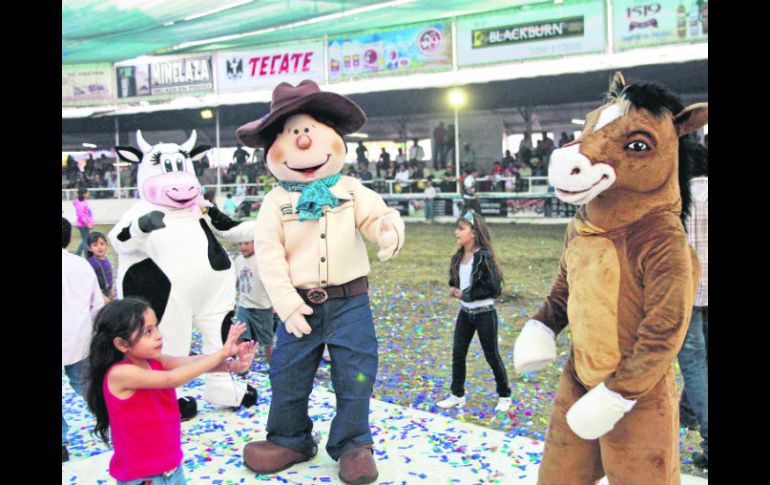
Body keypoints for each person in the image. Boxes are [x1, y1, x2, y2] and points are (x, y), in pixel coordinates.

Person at [85, 298, 255, 484]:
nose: (158, 335)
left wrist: (235, 365)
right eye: (148, 332)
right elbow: (172, 379)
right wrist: (221, 353)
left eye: (156, 327)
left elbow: (192, 361)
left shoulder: (155, 361)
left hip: (172, 469)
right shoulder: (120, 373)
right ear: (122, 344)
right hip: (142, 478)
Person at [437, 211, 510, 411]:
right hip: (465, 313)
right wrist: (455, 289)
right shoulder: (458, 256)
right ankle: (457, 394)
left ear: (474, 232)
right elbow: (458, 281)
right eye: (457, 228)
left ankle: (504, 395)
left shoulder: (484, 258)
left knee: (491, 354)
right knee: (458, 353)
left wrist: (466, 294)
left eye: (461, 228)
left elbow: (493, 289)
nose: (456, 232)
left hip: (484, 313)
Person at [62, 217, 105, 463]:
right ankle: (114, 421)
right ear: (70, 239)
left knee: (85, 384)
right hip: (79, 338)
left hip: (77, 337)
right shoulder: (81, 265)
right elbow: (96, 306)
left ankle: (62, 442)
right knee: (86, 386)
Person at [678, 142, 708, 469]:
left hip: (688, 291)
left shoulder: (677, 199)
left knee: (695, 364)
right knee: (702, 362)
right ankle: (686, 414)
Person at [234, 240, 275, 366]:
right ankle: (242, 366)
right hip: (244, 306)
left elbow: (272, 282)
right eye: (240, 243)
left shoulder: (262, 260)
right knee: (239, 336)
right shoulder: (238, 260)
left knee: (267, 342)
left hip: (262, 307)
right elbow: (237, 280)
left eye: (246, 243)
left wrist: (275, 302)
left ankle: (273, 367)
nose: (242, 246)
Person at [87, 232, 115, 304]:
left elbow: (109, 276)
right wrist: (101, 296)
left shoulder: (106, 258)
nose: (99, 247)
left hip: (108, 292)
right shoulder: (92, 262)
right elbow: (89, 282)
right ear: (90, 248)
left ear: (106, 245)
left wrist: (112, 289)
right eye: (95, 245)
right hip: (98, 294)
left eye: (102, 244)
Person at [73, 188, 94, 257]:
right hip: (83, 224)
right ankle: (87, 255)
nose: (89, 194)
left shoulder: (81, 201)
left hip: (83, 224)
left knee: (84, 239)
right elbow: (81, 216)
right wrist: (88, 224)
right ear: (84, 194)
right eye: (87, 193)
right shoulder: (81, 204)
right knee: (86, 240)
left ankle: (78, 254)